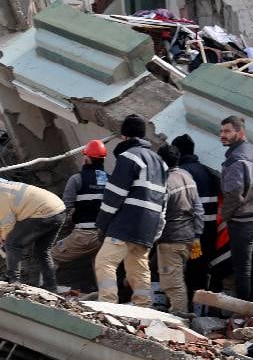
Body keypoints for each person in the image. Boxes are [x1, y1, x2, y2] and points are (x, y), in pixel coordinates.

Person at [93, 114, 165, 306]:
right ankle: (144, 306)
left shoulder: (129, 156)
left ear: (124, 136)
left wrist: (102, 223)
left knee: (105, 261)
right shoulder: (160, 161)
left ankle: (107, 304)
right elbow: (164, 198)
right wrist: (156, 228)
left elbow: (114, 194)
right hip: (148, 225)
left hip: (127, 222)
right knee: (138, 266)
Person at [0, 166, 66, 288]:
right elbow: (1, 219)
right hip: (58, 210)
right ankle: (51, 287)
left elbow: (8, 223)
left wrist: (5, 243)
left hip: (43, 213)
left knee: (12, 242)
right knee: (42, 252)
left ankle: (13, 279)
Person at [219, 115, 253, 304]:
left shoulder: (236, 159)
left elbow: (234, 193)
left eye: (227, 131)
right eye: (221, 131)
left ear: (240, 133)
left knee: (243, 269)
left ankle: (246, 313)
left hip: (244, 221)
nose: (222, 135)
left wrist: (225, 215)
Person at [156, 144, 204, 315]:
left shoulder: (164, 182)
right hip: (189, 238)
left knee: (172, 283)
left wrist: (153, 237)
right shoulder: (187, 176)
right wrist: (197, 234)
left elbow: (160, 214)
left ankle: (179, 318)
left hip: (171, 240)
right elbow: (198, 209)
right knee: (180, 279)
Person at [171, 134, 219, 301]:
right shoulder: (206, 171)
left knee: (188, 270)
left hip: (192, 231)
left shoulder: (184, 173)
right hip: (211, 228)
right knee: (201, 269)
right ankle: (201, 307)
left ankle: (188, 307)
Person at [52, 139, 109, 271]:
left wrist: (59, 230)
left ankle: (47, 289)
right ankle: (105, 292)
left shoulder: (77, 179)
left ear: (87, 158)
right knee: (102, 268)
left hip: (85, 235)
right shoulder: (111, 180)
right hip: (106, 236)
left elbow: (65, 210)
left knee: (50, 256)